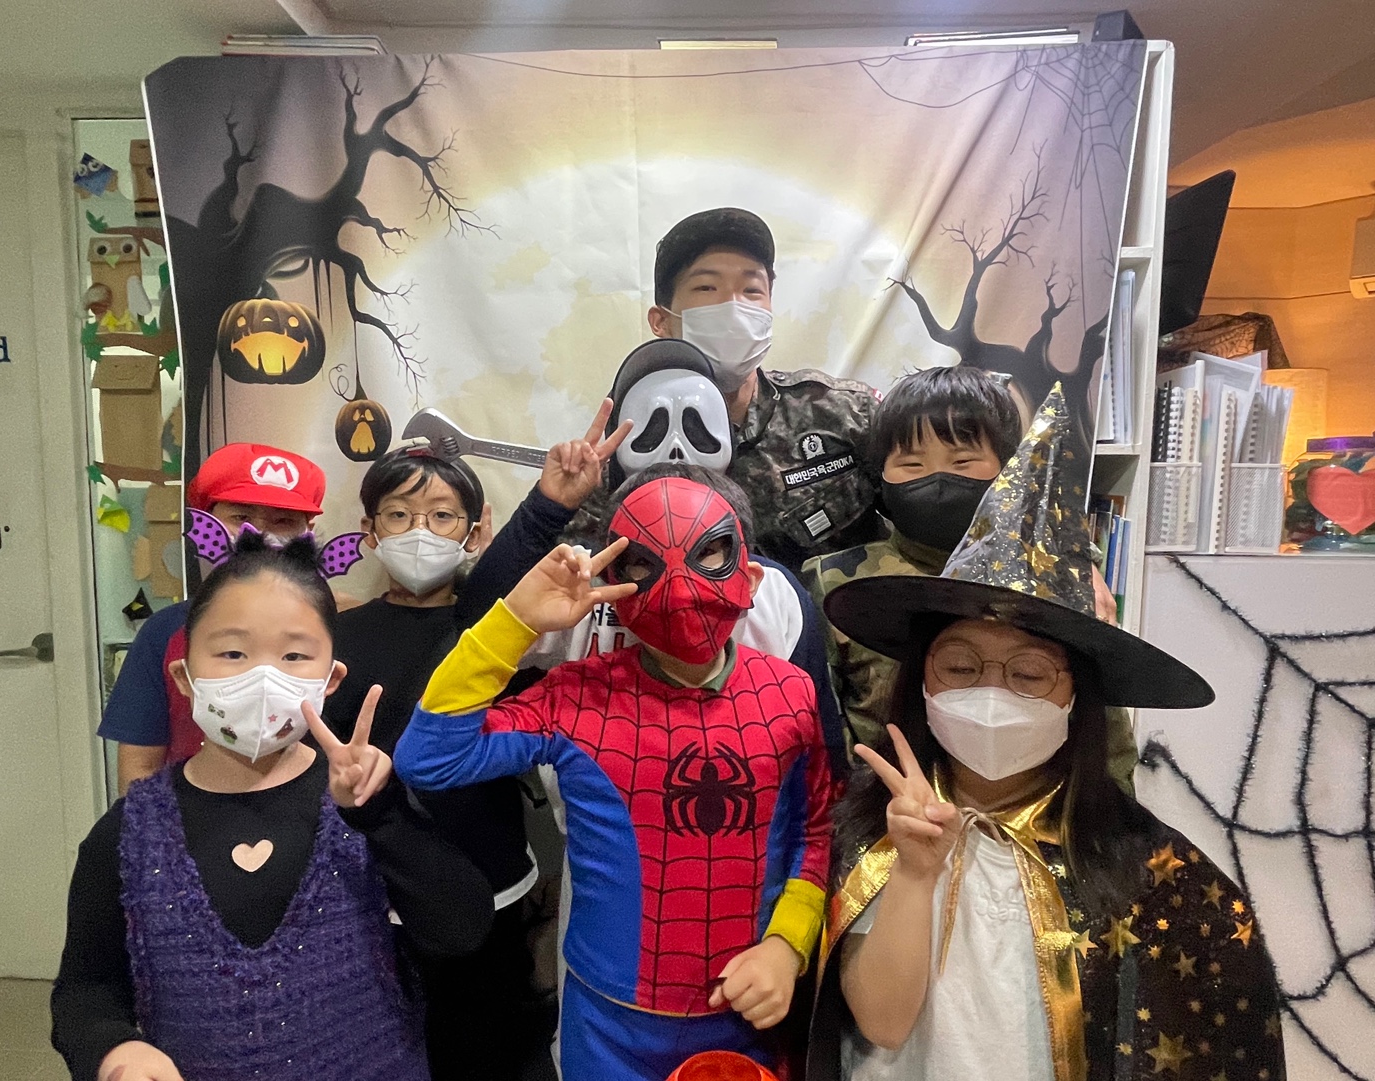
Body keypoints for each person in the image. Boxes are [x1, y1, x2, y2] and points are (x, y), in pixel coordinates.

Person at [806, 386, 1285, 1081]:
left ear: (1076, 697)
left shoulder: (1150, 874)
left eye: (1029, 674)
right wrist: (912, 871)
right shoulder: (871, 831)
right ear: (921, 684)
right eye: (961, 667)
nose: (991, 693)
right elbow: (880, 1022)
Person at [395, 475, 834, 1079]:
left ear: (751, 579)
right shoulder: (578, 695)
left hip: (746, 1015)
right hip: (606, 1024)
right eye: (645, 564)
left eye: (709, 553)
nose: (680, 588)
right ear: (615, 589)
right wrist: (515, 622)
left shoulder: (790, 693)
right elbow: (428, 757)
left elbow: (815, 833)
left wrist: (788, 945)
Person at [51, 530, 495, 1081]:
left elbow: (461, 930)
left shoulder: (367, 803)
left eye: (294, 655)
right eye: (232, 652)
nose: (263, 676)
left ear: (330, 679)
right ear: (184, 678)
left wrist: (379, 815)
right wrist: (115, 1051)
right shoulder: (129, 832)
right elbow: (85, 991)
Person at [323, 401, 629, 1081]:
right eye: (398, 516)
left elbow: (502, 590)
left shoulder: (489, 626)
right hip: (375, 884)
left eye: (441, 516)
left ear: (474, 530)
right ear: (369, 532)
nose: (419, 531)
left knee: (490, 1043)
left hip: (489, 876)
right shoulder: (336, 635)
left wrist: (551, 502)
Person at [542, 339, 848, 777]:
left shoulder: (775, 594)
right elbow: (473, 624)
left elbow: (818, 751)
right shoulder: (577, 581)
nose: (676, 448)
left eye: (698, 427)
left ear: (749, 579)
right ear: (613, 576)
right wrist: (546, 507)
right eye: (650, 429)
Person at [806, 365, 1128, 771]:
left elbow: (1105, 727)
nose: (937, 479)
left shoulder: (1051, 577)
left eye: (962, 462)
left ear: (1007, 469)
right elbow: (821, 728)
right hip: (888, 799)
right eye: (912, 465)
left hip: (1033, 801)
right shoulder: (835, 583)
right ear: (880, 475)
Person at [648, 207, 882, 572]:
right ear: (661, 321)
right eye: (707, 287)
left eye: (751, 289)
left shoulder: (844, 413)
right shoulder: (636, 444)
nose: (734, 306)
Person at [98, 442, 334, 794]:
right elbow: (139, 766)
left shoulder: (336, 630)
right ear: (204, 522)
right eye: (240, 518)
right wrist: (155, 825)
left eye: (283, 521)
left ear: (308, 532)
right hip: (187, 816)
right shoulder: (165, 633)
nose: (259, 535)